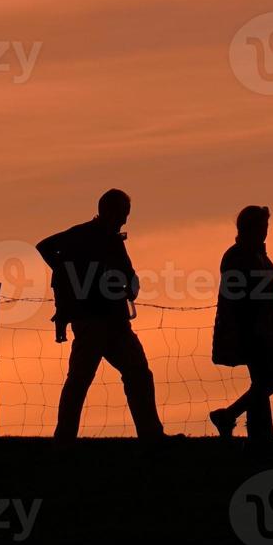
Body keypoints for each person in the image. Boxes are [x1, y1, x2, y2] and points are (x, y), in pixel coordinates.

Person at [37, 189, 167, 441]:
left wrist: (130, 285)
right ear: (109, 211)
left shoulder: (113, 241)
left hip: (115, 321)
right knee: (81, 379)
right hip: (91, 320)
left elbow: (129, 273)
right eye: (122, 214)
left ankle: (151, 434)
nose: (125, 220)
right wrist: (70, 273)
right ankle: (65, 437)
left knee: (137, 373)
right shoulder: (83, 234)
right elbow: (44, 247)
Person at [209, 205, 273, 441]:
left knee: (263, 381)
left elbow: (268, 293)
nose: (265, 231)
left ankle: (259, 436)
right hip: (251, 329)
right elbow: (239, 296)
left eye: (266, 226)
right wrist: (254, 324)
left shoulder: (255, 254)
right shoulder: (239, 255)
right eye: (261, 226)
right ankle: (230, 416)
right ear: (249, 228)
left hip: (262, 327)